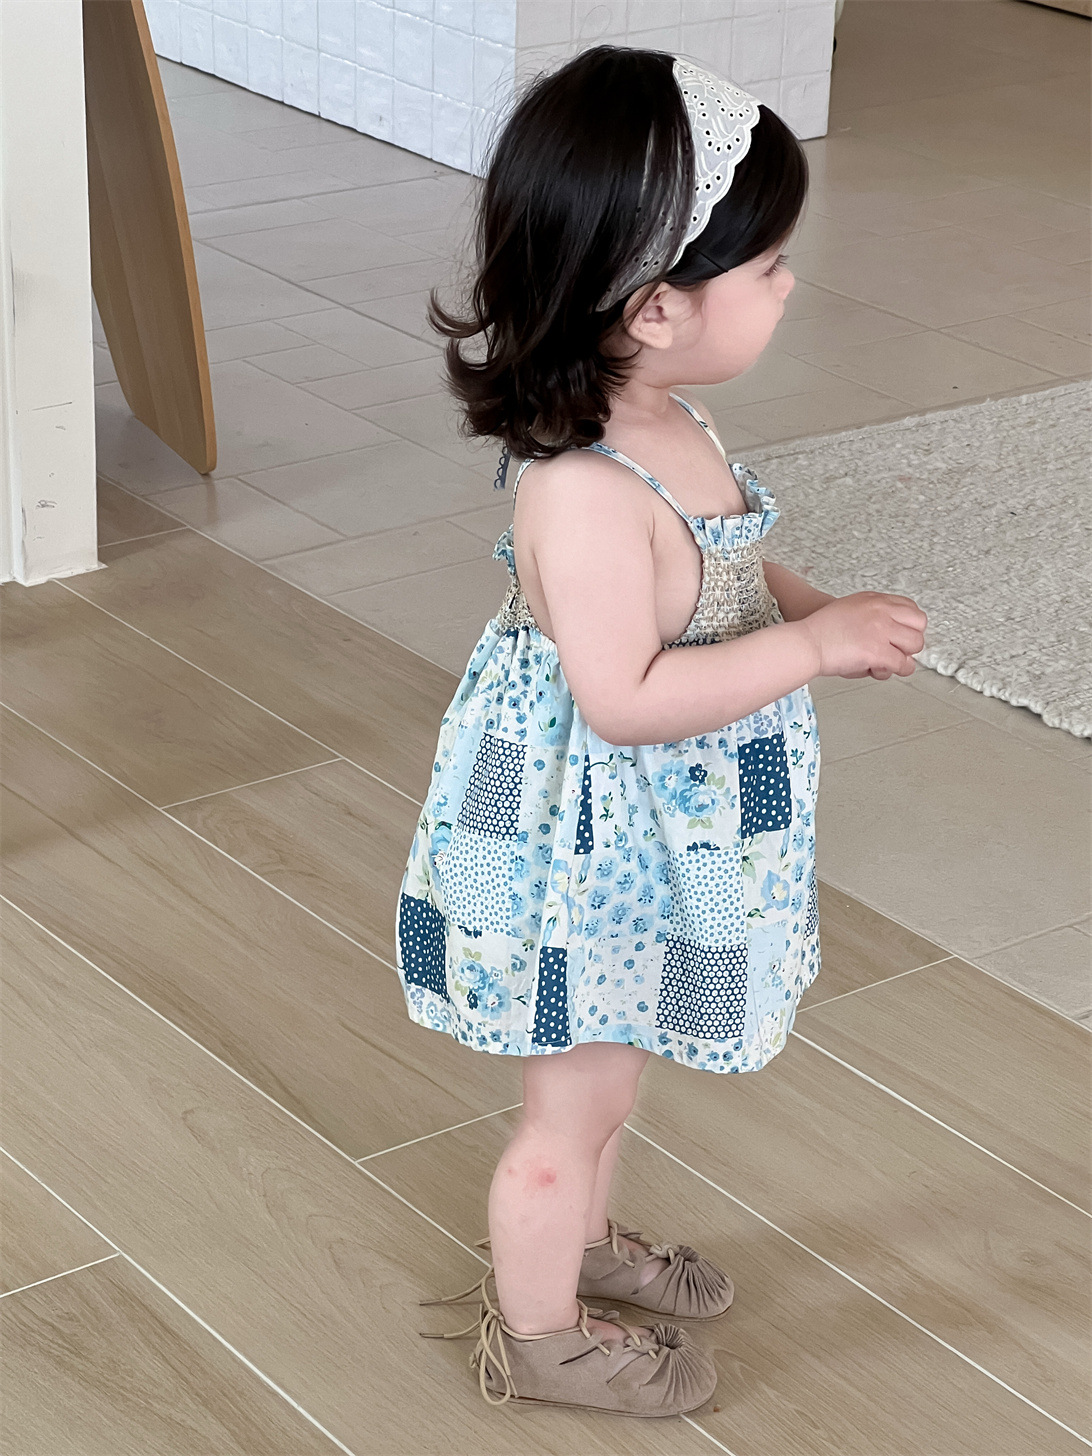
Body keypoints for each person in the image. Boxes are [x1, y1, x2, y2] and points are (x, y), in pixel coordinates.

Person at [396, 45, 927, 1418]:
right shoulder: (582, 489)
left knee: (611, 1079)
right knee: (568, 1109)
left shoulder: (666, 416)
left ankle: (578, 1250)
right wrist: (808, 648)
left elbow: (723, 567)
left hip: (651, 840)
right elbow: (622, 696)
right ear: (655, 308)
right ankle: (538, 1330)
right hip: (584, 851)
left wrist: (812, 608)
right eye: (767, 267)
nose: (789, 283)